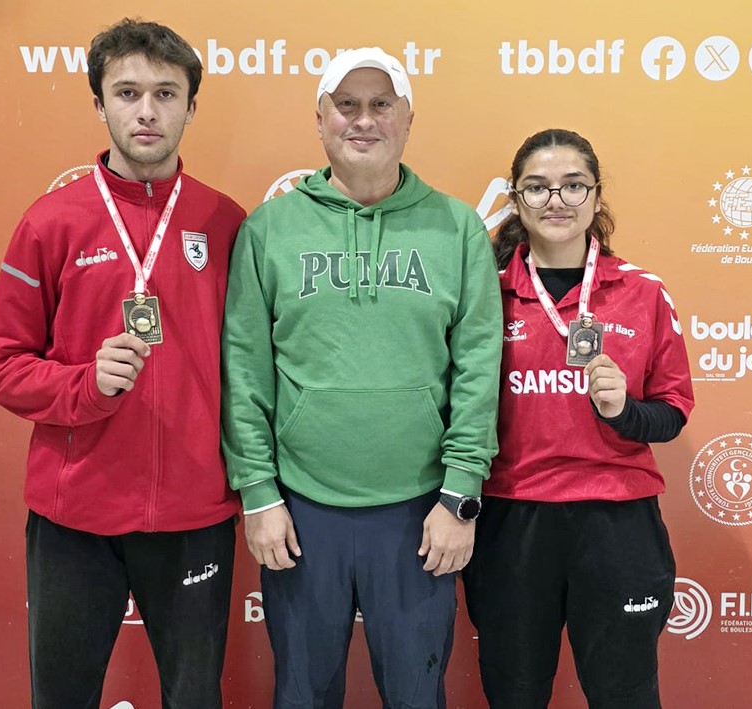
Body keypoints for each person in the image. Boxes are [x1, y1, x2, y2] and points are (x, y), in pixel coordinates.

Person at [221, 47, 502, 708]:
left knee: (416, 693)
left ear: (408, 120)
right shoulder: (269, 229)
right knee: (302, 693)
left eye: (381, 105)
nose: (364, 119)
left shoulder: (457, 227)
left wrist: (461, 494)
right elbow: (244, 368)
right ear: (320, 119)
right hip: (300, 509)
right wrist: (258, 493)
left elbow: (478, 367)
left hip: (420, 509)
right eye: (346, 105)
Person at [0, 19, 245, 709]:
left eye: (166, 93)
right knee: (62, 697)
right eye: (127, 93)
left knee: (195, 698)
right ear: (100, 104)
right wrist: (85, 385)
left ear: (191, 106)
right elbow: (0, 365)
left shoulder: (226, 223)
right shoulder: (50, 222)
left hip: (194, 515)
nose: (146, 111)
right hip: (75, 516)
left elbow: (252, 370)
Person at [462, 128, 695, 709]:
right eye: (537, 187)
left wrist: (625, 412)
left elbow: (671, 413)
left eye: (573, 186)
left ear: (595, 195)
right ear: (516, 199)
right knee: (514, 693)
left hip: (616, 523)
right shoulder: (483, 294)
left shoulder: (642, 292)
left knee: (625, 694)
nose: (556, 201)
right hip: (512, 520)